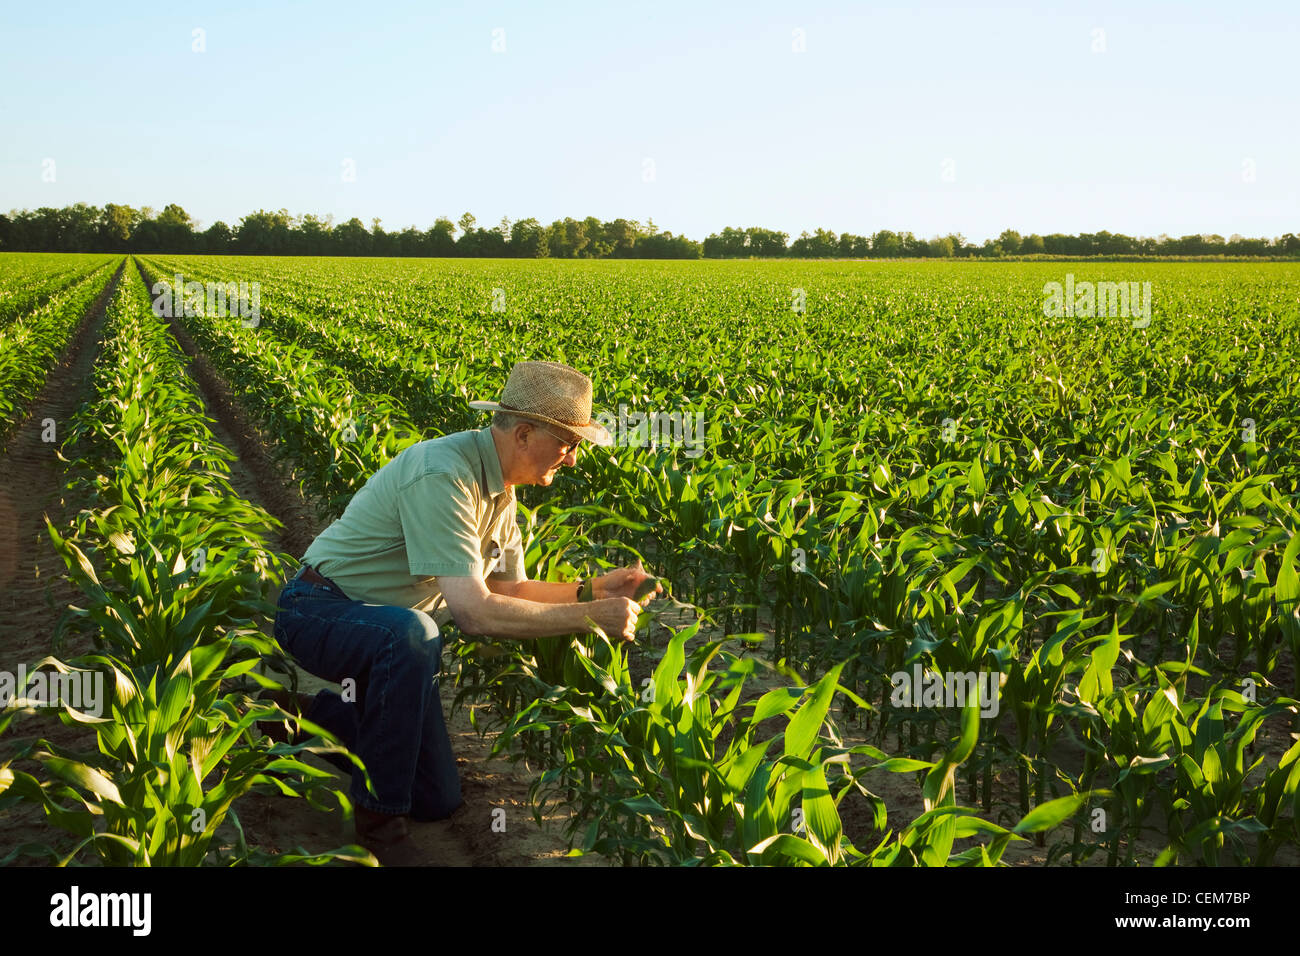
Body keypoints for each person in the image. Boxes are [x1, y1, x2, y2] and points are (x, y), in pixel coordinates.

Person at [269, 360, 661, 865]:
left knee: (436, 799)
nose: (571, 460)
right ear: (523, 433)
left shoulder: (501, 493)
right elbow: (476, 613)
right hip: (320, 611)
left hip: (389, 638)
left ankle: (298, 717)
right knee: (414, 632)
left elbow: (509, 587)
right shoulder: (444, 474)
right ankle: (378, 823)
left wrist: (592, 590)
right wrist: (591, 619)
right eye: (569, 444)